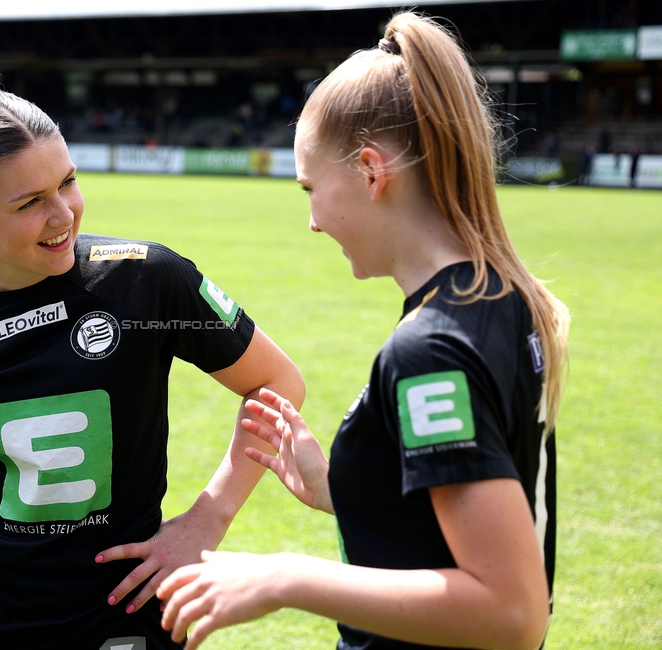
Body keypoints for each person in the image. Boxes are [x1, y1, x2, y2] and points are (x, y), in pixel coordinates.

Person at [157, 12, 570, 650]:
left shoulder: (431, 350)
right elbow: (448, 527)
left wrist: (284, 578)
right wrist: (341, 487)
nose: (314, 222)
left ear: (372, 173)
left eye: (309, 189)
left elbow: (510, 613)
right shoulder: (507, 297)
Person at [0, 88, 305, 649]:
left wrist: (207, 521)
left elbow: (278, 384)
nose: (64, 214)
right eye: (28, 202)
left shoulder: (147, 280)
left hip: (122, 609)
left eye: (67, 181)